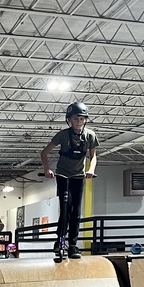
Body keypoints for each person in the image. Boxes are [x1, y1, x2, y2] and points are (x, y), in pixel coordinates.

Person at [41, 101, 99, 262]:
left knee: (76, 212)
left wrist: (91, 170)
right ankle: (59, 241)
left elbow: (93, 156)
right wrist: (47, 169)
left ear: (85, 120)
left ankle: (73, 245)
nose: (78, 122)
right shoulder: (62, 135)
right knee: (65, 208)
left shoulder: (90, 135)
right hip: (63, 175)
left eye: (81, 119)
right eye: (75, 119)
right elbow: (44, 152)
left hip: (79, 176)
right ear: (69, 120)